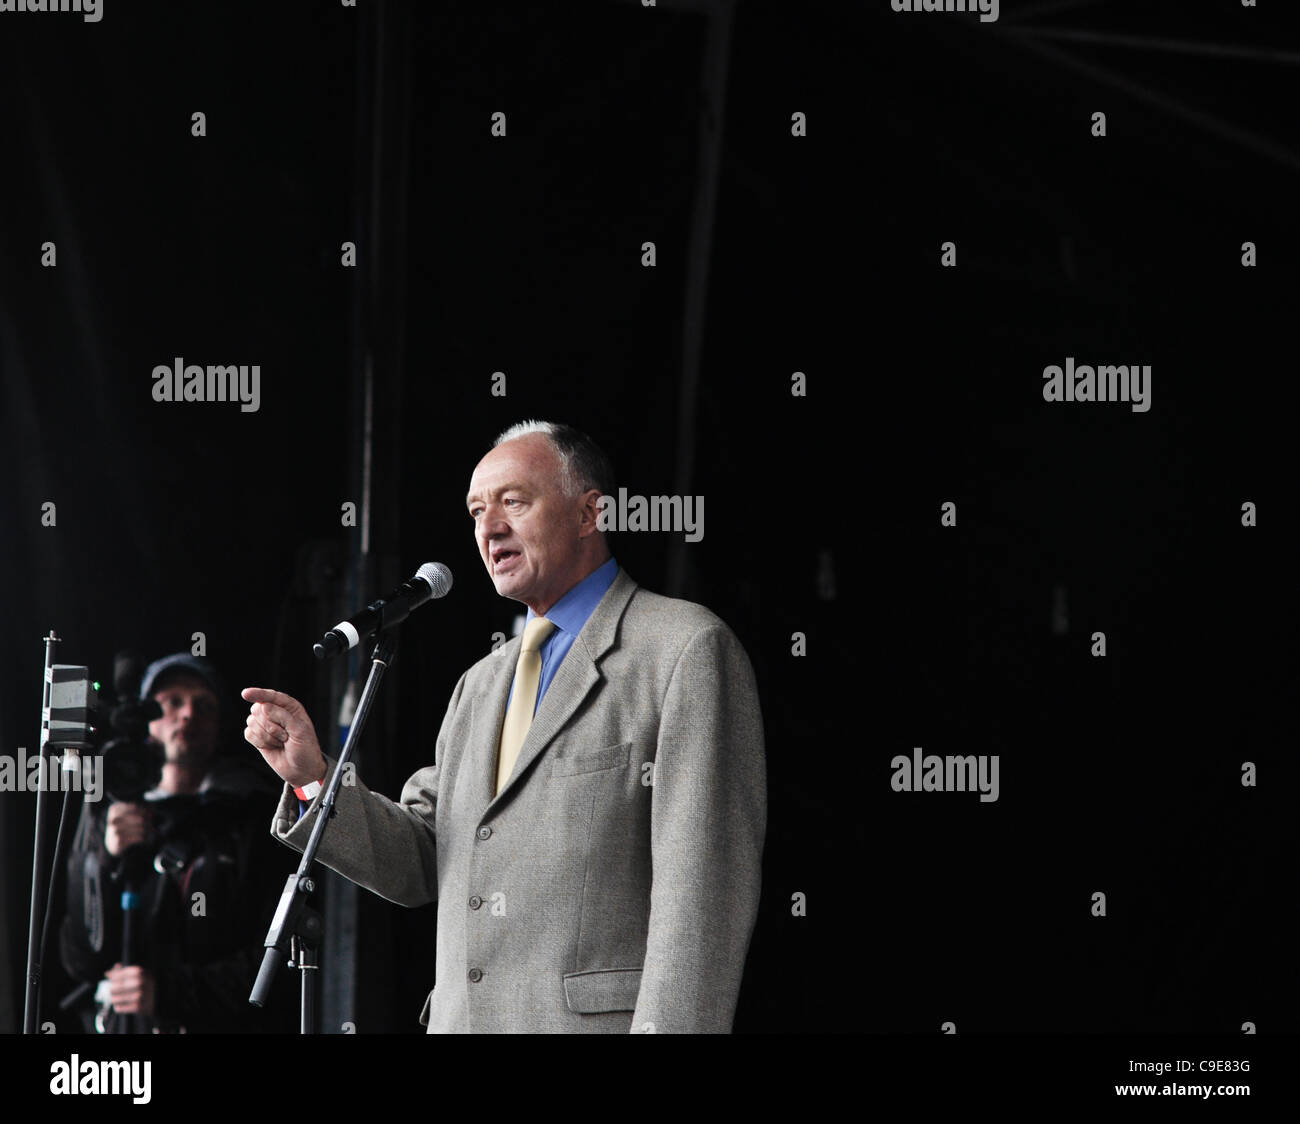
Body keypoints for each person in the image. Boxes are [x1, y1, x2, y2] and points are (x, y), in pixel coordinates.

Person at [243, 420, 766, 1033]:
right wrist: (313, 779)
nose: (488, 528)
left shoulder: (682, 649)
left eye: (513, 501)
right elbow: (424, 858)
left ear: (589, 514)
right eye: (475, 511)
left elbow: (702, 897)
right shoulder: (480, 683)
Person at [59, 653, 295, 1033]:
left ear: (219, 726)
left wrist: (169, 992)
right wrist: (101, 862)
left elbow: (275, 963)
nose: (187, 715)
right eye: (172, 702)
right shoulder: (104, 811)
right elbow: (79, 958)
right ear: (145, 722)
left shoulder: (255, 821)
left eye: (203, 706)